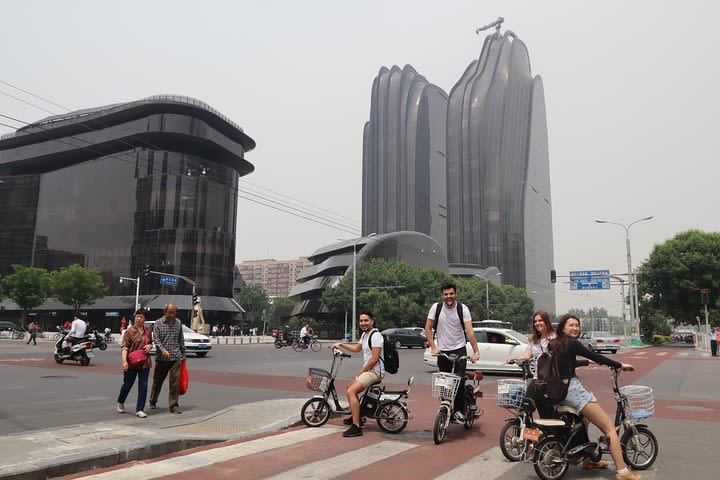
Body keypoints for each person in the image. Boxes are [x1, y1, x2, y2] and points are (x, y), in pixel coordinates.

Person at [552, 314, 641, 479]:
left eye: (577, 325)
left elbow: (566, 364)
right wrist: (620, 364)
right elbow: (596, 356)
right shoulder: (572, 343)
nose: (575, 328)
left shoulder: (556, 344)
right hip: (573, 391)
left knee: (584, 420)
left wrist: (585, 363)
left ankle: (587, 460)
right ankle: (622, 472)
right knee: (609, 429)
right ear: (562, 328)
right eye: (571, 325)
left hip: (558, 392)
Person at [425, 282, 480, 423]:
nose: (449, 297)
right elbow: (428, 328)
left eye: (451, 294)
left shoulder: (463, 309)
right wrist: (433, 347)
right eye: (446, 294)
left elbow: (470, 332)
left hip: (459, 348)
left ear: (455, 294)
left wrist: (476, 352)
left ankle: (459, 411)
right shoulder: (436, 308)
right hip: (442, 350)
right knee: (443, 383)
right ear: (442, 295)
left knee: (459, 381)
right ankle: (446, 408)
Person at [332, 310, 384, 437]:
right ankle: (357, 416)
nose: (363, 323)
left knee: (351, 392)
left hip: (375, 371)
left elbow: (374, 359)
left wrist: (361, 372)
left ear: (372, 321)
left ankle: (356, 427)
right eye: (361, 321)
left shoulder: (376, 336)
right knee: (349, 388)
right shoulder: (365, 335)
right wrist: (341, 344)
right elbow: (357, 348)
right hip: (369, 370)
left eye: (366, 320)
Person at [506, 310, 556, 417]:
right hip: (537, 379)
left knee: (546, 413)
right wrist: (514, 358)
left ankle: (547, 431)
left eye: (540, 320)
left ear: (546, 321)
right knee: (526, 404)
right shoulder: (533, 339)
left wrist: (544, 356)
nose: (537, 323)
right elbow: (526, 355)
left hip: (551, 380)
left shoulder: (555, 338)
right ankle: (527, 430)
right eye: (535, 321)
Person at [149, 303, 186, 414]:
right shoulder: (158, 323)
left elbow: (181, 340)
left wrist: (183, 355)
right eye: (169, 312)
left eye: (174, 312)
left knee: (174, 383)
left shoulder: (178, 323)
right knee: (157, 381)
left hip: (176, 357)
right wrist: (163, 350)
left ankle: (173, 405)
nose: (171, 315)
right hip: (162, 358)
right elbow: (156, 340)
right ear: (165, 311)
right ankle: (153, 400)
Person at [116, 309, 153, 418]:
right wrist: (124, 361)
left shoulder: (148, 331)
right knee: (127, 385)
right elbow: (125, 347)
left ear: (145, 319)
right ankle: (120, 401)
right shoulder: (129, 331)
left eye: (141, 317)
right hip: (131, 363)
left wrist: (150, 346)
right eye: (137, 316)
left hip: (144, 363)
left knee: (144, 385)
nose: (138, 319)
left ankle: (139, 409)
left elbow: (150, 343)